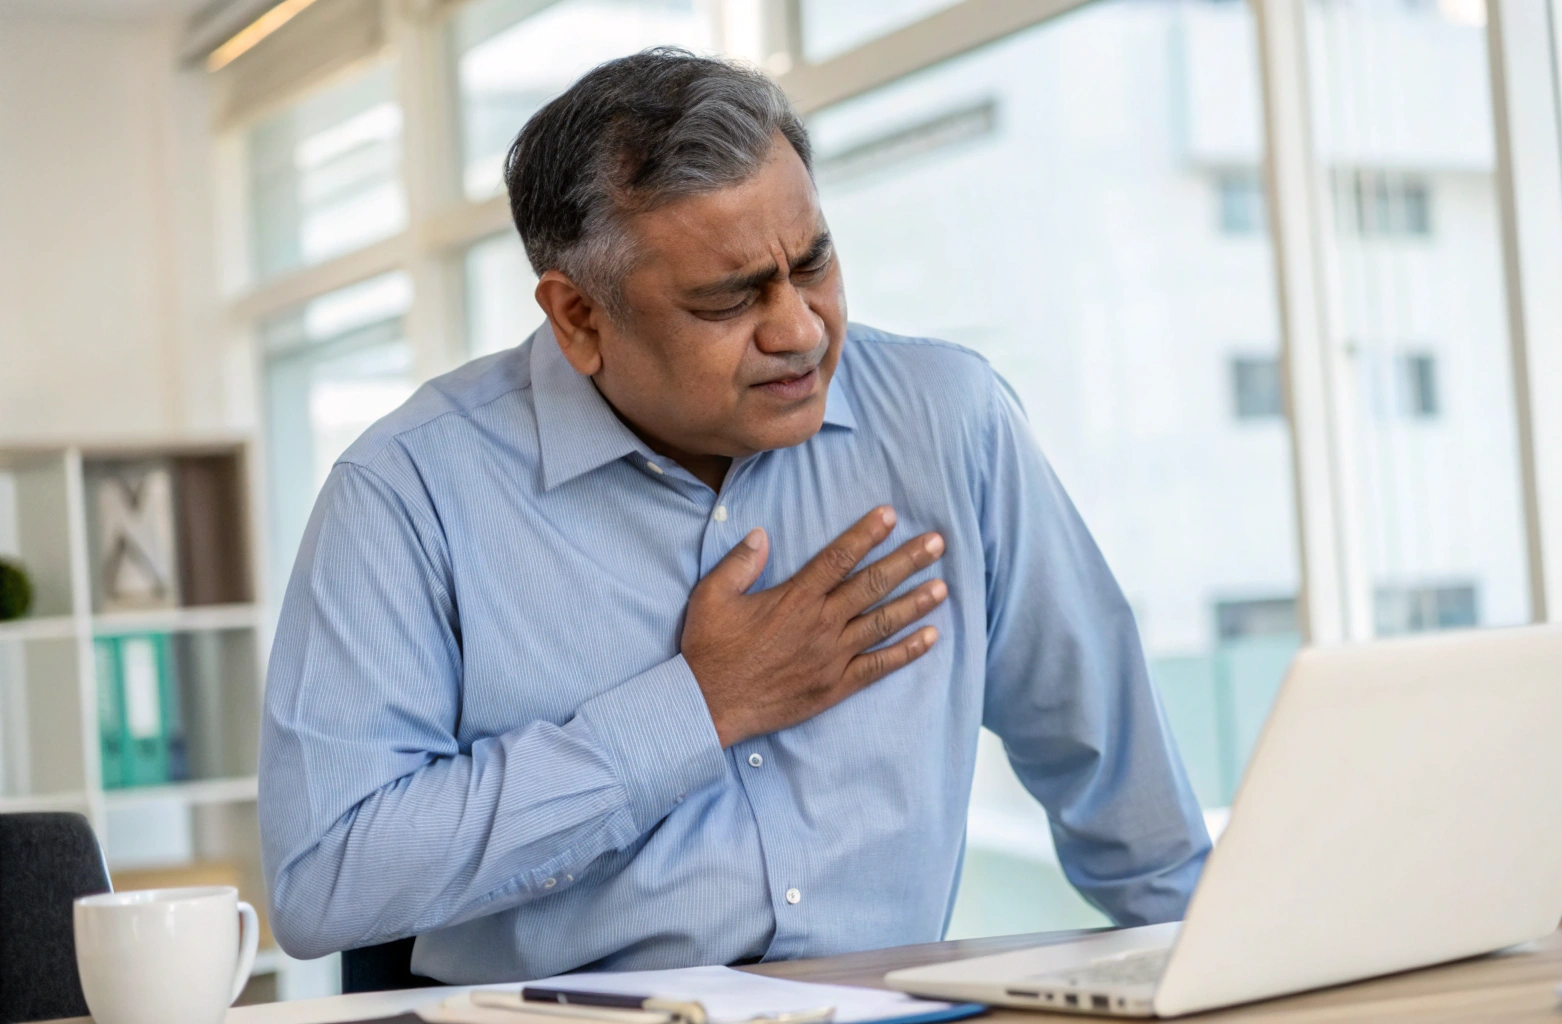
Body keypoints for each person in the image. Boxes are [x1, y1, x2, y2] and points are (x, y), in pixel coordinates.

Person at [259, 47, 1208, 984]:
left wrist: (1229, 972)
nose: (798, 328)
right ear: (579, 318)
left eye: (814, 263)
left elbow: (1120, 787)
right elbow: (325, 880)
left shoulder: (947, 422)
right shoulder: (408, 490)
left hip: (891, 1010)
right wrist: (697, 708)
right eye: (728, 299)